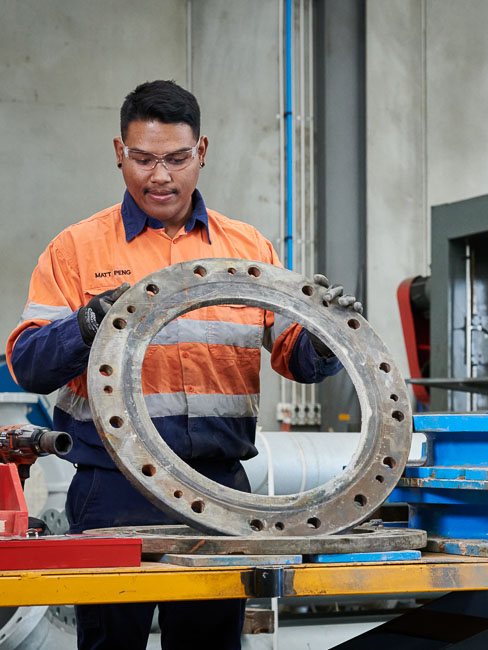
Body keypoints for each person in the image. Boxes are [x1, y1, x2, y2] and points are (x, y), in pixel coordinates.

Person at [5, 80, 359, 650]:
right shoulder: (76, 250)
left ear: (203, 152)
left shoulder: (248, 248)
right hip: (112, 489)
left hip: (221, 486)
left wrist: (327, 335)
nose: (160, 176)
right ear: (120, 153)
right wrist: (85, 325)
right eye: (143, 159)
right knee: (110, 643)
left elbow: (295, 356)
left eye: (175, 158)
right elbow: (27, 364)